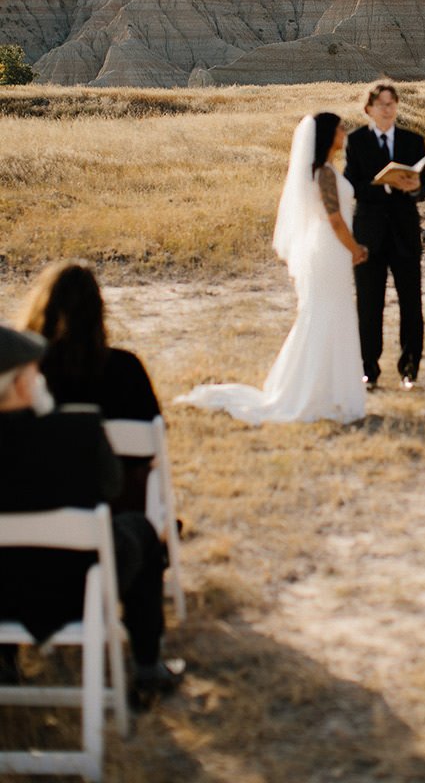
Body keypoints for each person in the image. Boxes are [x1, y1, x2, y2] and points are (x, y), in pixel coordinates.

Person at [0, 323, 183, 699]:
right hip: (73, 587)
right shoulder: (77, 430)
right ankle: (148, 667)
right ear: (20, 384)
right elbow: (112, 486)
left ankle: (6, 663)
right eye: (34, 371)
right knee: (142, 531)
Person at [177, 113, 367, 424]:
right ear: (327, 135)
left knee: (328, 313)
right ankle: (316, 392)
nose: (345, 131)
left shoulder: (325, 170)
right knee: (326, 314)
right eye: (340, 127)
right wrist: (355, 248)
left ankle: (327, 389)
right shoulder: (326, 174)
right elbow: (334, 219)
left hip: (329, 248)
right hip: (330, 248)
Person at [20, 261, 162, 515]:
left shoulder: (22, 377)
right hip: (114, 518)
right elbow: (150, 452)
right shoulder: (126, 370)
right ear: (99, 311)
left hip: (31, 519)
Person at [344, 81, 425, 391]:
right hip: (368, 234)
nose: (387, 108)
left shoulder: (414, 141)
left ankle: (410, 369)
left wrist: (414, 188)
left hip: (404, 234)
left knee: (411, 304)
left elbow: (423, 191)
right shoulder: (356, 141)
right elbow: (353, 186)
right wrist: (390, 187)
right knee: (368, 304)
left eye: (392, 103)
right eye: (381, 103)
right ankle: (369, 370)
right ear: (368, 108)